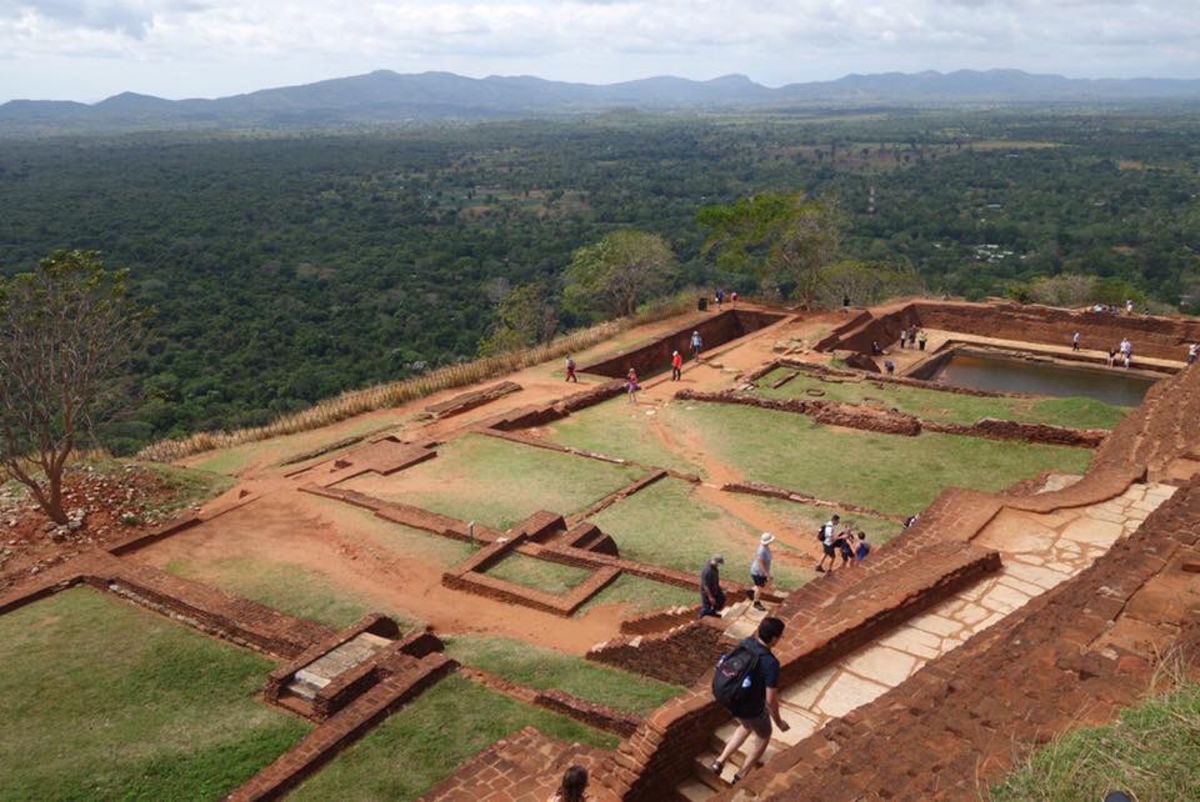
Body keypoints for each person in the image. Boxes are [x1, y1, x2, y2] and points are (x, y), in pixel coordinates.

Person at [709, 617, 789, 784]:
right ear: (774, 638)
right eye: (780, 636)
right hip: (750, 707)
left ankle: (719, 762)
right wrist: (779, 722)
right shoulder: (770, 663)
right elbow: (770, 699)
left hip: (731, 699)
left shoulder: (746, 643)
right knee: (764, 735)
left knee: (746, 725)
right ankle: (741, 776)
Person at [749, 533, 774, 611]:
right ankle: (756, 603)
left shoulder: (765, 547)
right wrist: (767, 574)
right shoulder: (762, 550)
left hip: (759, 571)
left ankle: (751, 591)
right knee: (760, 587)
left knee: (762, 585)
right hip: (758, 572)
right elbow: (761, 563)